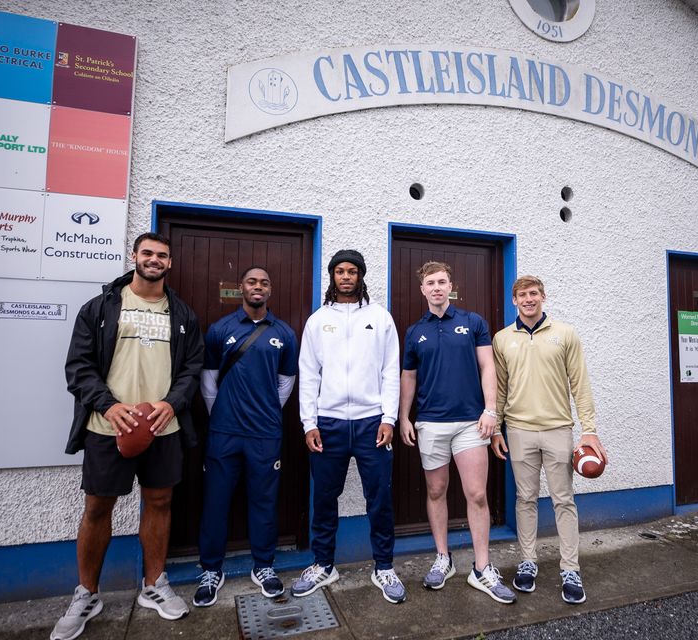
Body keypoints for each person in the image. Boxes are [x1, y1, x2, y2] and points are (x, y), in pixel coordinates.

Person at [52, 232, 204, 640]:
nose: (155, 260)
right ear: (134, 256)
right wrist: (107, 404)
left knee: (159, 501)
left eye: (162, 255)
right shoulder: (100, 308)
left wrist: (172, 402)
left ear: (170, 263)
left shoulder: (183, 314)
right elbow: (78, 366)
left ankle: (154, 585)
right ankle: (87, 593)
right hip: (108, 427)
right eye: (148, 253)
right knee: (98, 508)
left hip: (162, 427)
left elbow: (192, 368)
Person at [292, 249, 406, 604]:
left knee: (380, 497)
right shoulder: (317, 320)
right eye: (339, 271)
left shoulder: (380, 317)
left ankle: (384, 566)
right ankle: (324, 564)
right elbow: (308, 374)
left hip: (373, 422)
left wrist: (389, 417)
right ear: (332, 276)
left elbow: (391, 371)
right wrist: (309, 422)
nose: (345, 277)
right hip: (329, 423)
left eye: (352, 271)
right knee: (325, 497)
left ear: (361, 276)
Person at [399, 262, 517, 604]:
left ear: (451, 286)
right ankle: (443, 558)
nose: (437, 287)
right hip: (431, 423)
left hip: (470, 423)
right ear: (423, 290)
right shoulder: (414, 332)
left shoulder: (473, 322)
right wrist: (404, 417)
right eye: (431, 283)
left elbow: (487, 366)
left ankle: (482, 568)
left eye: (442, 282)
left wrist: (491, 410)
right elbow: (409, 377)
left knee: (476, 494)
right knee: (436, 491)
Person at [491, 275, 607, 605]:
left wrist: (590, 430)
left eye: (533, 294)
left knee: (563, 500)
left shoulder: (565, 334)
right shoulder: (502, 339)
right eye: (522, 295)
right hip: (518, 429)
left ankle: (570, 568)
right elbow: (500, 389)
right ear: (514, 300)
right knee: (525, 499)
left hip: (558, 428)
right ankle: (528, 562)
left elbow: (580, 385)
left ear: (543, 297)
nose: (528, 299)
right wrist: (497, 428)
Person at [193, 266, 298, 606]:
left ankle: (263, 567)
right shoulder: (220, 329)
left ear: (270, 290)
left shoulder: (284, 333)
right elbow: (208, 381)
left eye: (264, 282)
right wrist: (222, 413)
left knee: (264, 502)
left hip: (265, 434)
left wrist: (265, 410)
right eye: (252, 281)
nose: (258, 287)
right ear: (241, 287)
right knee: (215, 502)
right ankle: (211, 570)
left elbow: (286, 384)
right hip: (224, 432)